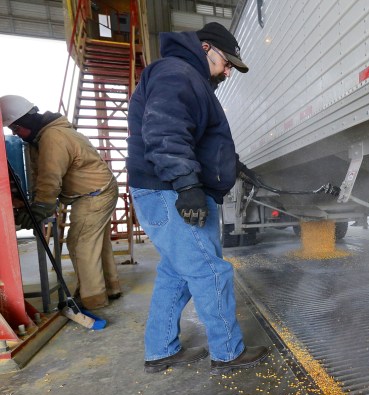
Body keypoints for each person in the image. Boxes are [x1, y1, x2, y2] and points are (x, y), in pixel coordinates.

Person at [126, 22, 269, 374]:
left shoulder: (186, 77)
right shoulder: (177, 73)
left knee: (176, 274)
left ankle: (160, 350)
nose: (228, 71)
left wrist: (232, 164)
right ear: (206, 48)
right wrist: (187, 185)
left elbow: (196, 136)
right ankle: (227, 352)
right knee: (210, 271)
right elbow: (165, 129)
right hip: (170, 191)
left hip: (166, 189)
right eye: (226, 62)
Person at [0, 95, 121, 310]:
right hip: (100, 188)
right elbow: (41, 174)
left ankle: (93, 299)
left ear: (24, 122)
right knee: (97, 243)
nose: (15, 134)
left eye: (16, 129)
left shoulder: (52, 137)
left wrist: (41, 206)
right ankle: (110, 287)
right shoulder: (46, 135)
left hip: (94, 193)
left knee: (80, 244)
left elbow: (50, 176)